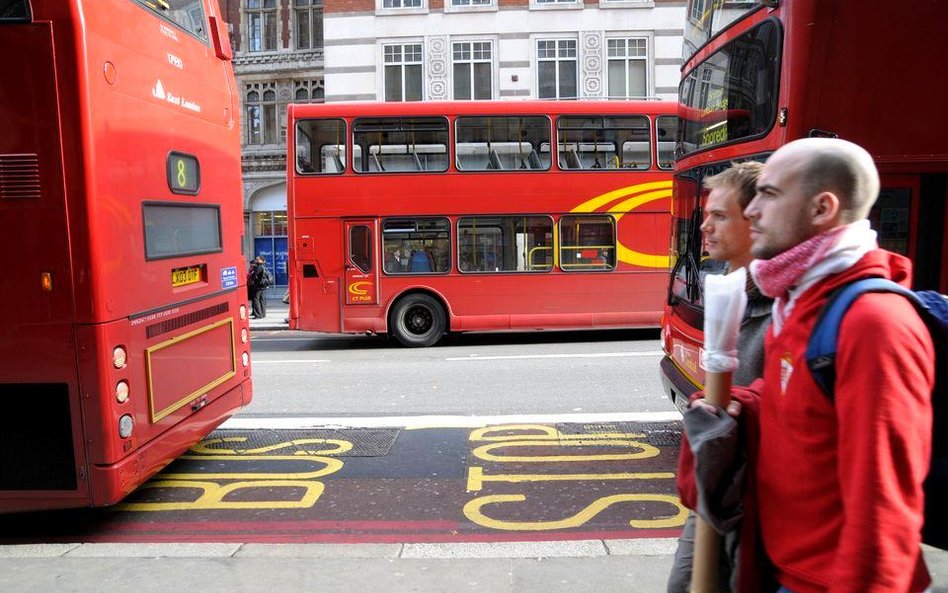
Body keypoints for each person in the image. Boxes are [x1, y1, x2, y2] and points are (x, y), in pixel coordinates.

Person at [742, 138, 933, 593]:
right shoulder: (797, 302)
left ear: (822, 208)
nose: (751, 210)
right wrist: (737, 403)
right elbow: (803, 410)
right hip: (785, 569)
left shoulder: (873, 323)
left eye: (768, 193)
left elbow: (884, 505)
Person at [668, 160, 772, 593]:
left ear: (756, 221)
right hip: (717, 486)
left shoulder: (782, 305)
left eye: (720, 216)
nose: (705, 227)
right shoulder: (730, 289)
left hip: (755, 498)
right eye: (705, 215)